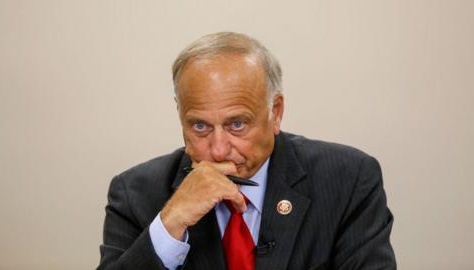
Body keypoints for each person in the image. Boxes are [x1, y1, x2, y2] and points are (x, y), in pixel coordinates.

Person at [97, 32, 396, 270]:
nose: (217, 149)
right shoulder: (134, 194)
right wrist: (170, 224)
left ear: (275, 112)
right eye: (199, 126)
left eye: (236, 124)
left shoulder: (349, 179)